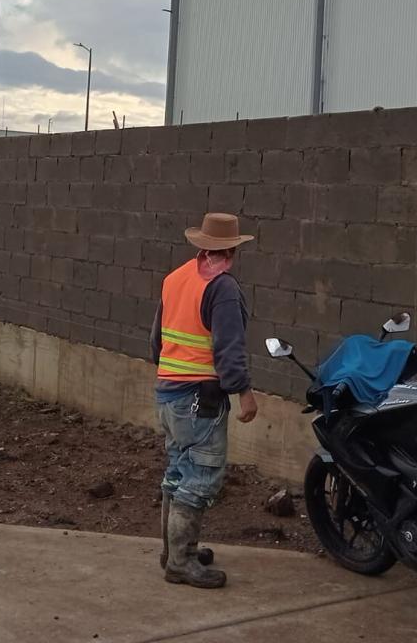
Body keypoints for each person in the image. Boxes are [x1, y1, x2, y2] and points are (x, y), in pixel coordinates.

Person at [150, 212, 258, 589]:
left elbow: (156, 343)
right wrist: (244, 392)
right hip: (201, 399)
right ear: (232, 249)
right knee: (199, 479)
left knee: (178, 472)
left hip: (168, 394)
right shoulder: (223, 288)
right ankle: (180, 563)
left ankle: (175, 551)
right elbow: (229, 347)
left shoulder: (175, 278)